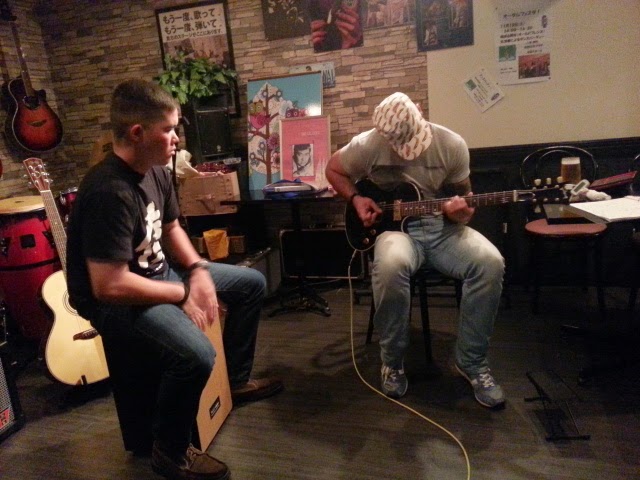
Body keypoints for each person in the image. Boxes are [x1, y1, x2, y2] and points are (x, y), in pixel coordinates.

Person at [66, 79, 283, 480]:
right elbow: (108, 285)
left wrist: (197, 269)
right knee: (196, 355)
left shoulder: (157, 170)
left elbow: (170, 229)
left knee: (250, 284)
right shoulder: (108, 191)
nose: (177, 138)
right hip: (115, 300)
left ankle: (234, 382)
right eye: (168, 129)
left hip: (157, 272)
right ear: (137, 132)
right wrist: (182, 293)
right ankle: (170, 450)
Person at [325, 92, 506, 409]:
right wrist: (356, 198)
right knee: (391, 264)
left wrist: (460, 213)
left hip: (442, 229)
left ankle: (472, 361)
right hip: (396, 233)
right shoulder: (367, 145)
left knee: (490, 262)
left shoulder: (451, 144)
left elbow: (466, 202)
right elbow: (333, 169)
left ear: (419, 111)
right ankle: (392, 361)